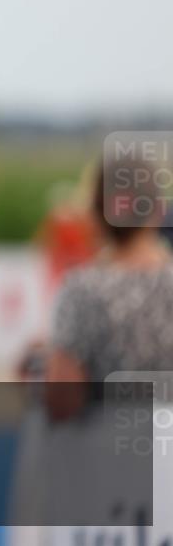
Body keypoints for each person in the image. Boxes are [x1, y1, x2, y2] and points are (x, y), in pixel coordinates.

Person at [46, 159, 173, 418]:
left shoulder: (83, 290)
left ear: (95, 213)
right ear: (158, 209)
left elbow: (63, 400)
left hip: (109, 449)